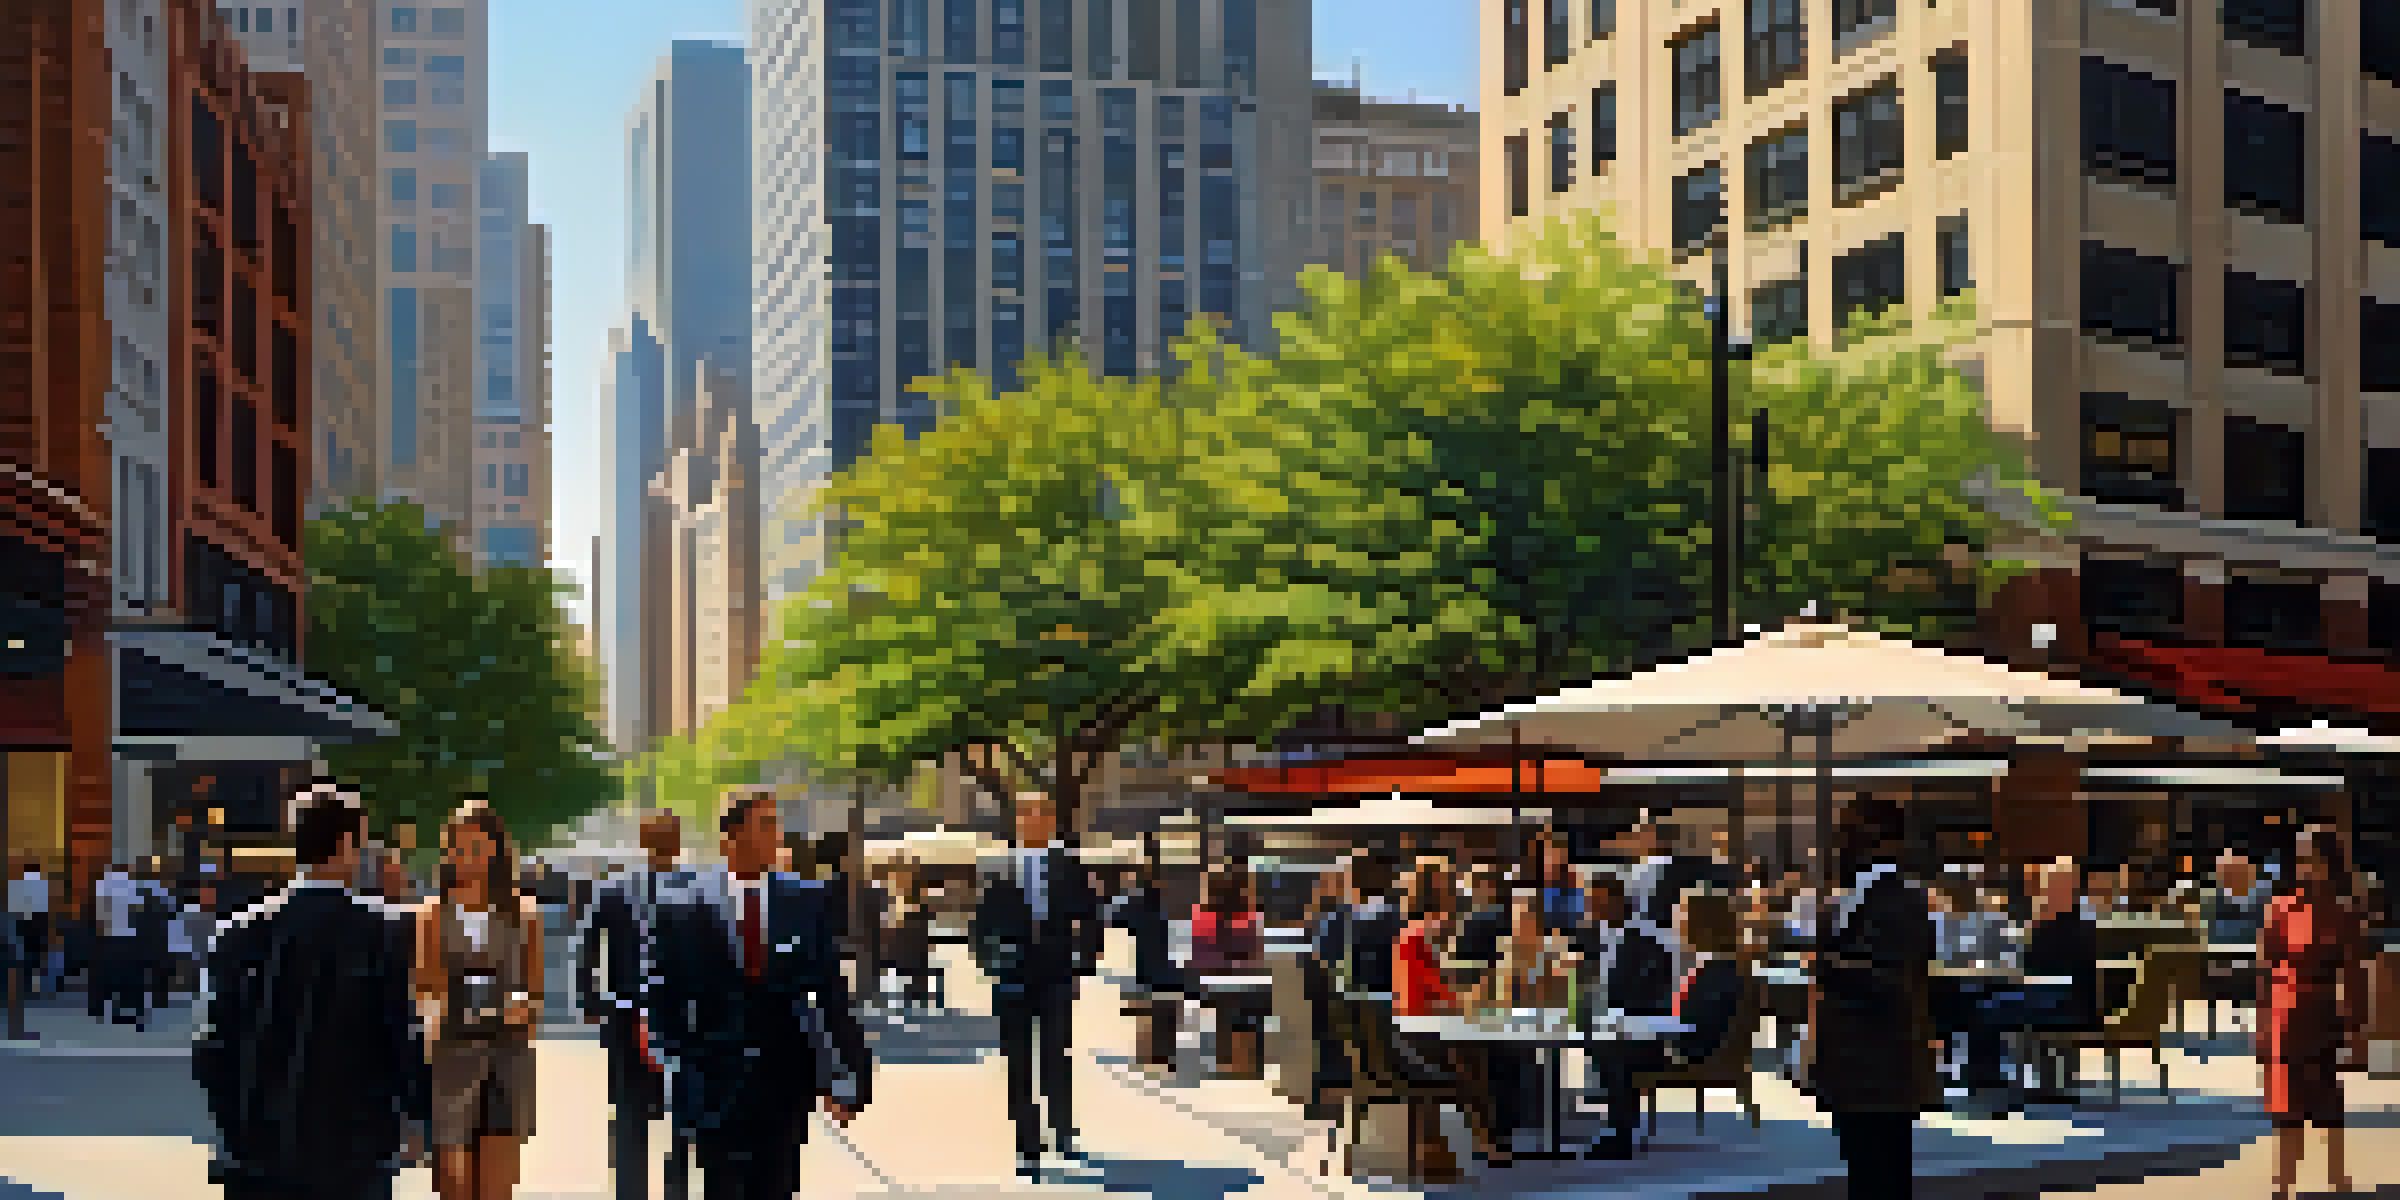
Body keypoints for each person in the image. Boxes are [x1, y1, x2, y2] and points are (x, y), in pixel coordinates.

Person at [194, 783, 430, 1198]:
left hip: (256, 1149)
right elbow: (401, 1039)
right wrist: (419, 1119)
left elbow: (212, 1044)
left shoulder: (237, 932)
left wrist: (233, 1122)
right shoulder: (381, 933)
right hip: (352, 1150)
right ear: (345, 844)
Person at [649, 786, 872, 1199]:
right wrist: (678, 1068)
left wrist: (850, 1077)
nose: (778, 833)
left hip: (784, 1083)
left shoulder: (807, 900)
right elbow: (663, 992)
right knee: (721, 1188)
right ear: (732, 836)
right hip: (710, 1084)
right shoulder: (681, 903)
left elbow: (831, 993)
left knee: (776, 1188)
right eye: (766, 824)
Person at [1806, 796, 1936, 1200]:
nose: (1841, 842)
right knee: (1861, 1169)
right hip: (1847, 1065)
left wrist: (1827, 967)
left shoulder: (1903, 899)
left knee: (1887, 1171)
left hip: (1884, 1064)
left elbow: (1896, 981)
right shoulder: (1843, 899)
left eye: (1850, 830)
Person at [416, 800, 544, 1200]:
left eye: (478, 846)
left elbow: (535, 992)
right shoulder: (434, 914)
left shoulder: (523, 914)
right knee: (456, 1188)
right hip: (452, 1060)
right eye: (459, 846)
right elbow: (426, 989)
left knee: (495, 1188)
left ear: (496, 850)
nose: (467, 856)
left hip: (506, 1062)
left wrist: (523, 1007)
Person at [971, 791, 1102, 1179]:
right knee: (1018, 1061)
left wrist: (1083, 965)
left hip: (1057, 973)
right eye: (1028, 812)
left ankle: (1062, 1130)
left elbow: (1090, 916)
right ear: (1017, 820)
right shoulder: (999, 865)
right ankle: (1027, 1144)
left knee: (1056, 1055)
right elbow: (980, 924)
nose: (1035, 818)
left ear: (1051, 820)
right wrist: (991, 966)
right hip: (1012, 976)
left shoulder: (1068, 865)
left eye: (1043, 811)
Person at [577, 810, 688, 1200]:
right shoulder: (613, 890)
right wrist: (589, 998)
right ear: (643, 839)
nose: (661, 840)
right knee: (629, 1113)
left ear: (677, 841)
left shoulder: (697, 887)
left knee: (683, 1116)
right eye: (654, 833)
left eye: (668, 833)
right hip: (626, 1014)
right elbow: (588, 946)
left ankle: (677, 1191)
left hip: (683, 1017)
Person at [2259, 826, 2371, 1200]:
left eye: (2315, 860)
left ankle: (2338, 1179)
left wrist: (2356, 1031)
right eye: (2303, 859)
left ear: (2329, 864)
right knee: (2284, 1106)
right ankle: (2282, 1184)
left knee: (2326, 1101)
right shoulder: (2279, 908)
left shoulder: (2344, 913)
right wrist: (2261, 1025)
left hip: (2322, 1015)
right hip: (2282, 1015)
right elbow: (2266, 969)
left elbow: (2353, 973)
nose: (2308, 867)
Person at [1590, 890, 1746, 1158]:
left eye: (1682, 915)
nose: (1676, 922)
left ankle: (1620, 1134)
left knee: (1615, 1052)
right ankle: (1618, 1129)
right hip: (1686, 1042)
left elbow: (1698, 1019)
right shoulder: (1710, 964)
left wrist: (1655, 1022)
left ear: (1701, 923)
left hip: (1696, 1050)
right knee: (1611, 1045)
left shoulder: (1722, 969)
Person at [1105, 858, 1182, 1075]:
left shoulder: (1136, 903)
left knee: (1159, 1005)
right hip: (1161, 969)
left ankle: (1156, 1055)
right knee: (1163, 1006)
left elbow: (1113, 919)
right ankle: (1163, 1055)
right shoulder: (1169, 903)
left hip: (1150, 969)